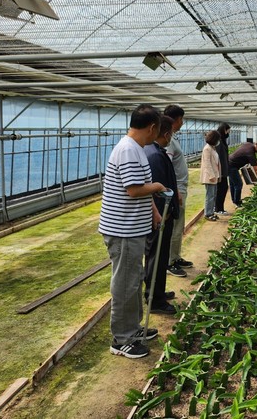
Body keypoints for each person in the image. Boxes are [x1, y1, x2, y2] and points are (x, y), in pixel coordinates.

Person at [99, 104, 166, 359]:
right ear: (152, 127)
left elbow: (139, 186)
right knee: (126, 283)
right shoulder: (128, 150)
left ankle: (133, 328)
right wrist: (157, 186)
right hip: (123, 230)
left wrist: (153, 211)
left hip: (132, 227)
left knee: (134, 279)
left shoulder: (136, 148)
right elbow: (134, 190)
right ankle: (122, 339)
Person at [143, 115, 180, 316]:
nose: (170, 138)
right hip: (160, 216)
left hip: (162, 214)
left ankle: (157, 292)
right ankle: (155, 300)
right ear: (165, 134)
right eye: (170, 134)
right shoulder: (155, 155)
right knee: (156, 257)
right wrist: (160, 215)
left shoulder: (154, 151)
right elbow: (156, 190)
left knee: (159, 256)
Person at [163, 105, 193, 278]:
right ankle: (169, 262)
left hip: (179, 188)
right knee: (174, 227)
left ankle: (175, 257)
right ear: (176, 120)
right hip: (176, 190)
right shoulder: (168, 142)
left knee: (179, 226)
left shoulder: (172, 138)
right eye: (182, 119)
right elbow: (167, 168)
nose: (182, 123)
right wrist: (175, 191)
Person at [227, 140, 257, 207]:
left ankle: (235, 201)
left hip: (229, 162)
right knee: (238, 184)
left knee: (233, 184)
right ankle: (237, 202)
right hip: (231, 166)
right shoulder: (250, 154)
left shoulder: (248, 144)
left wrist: (253, 179)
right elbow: (256, 170)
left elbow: (248, 168)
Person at [200, 130, 221, 221]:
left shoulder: (212, 148)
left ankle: (211, 212)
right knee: (210, 196)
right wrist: (212, 175)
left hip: (214, 176)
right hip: (209, 177)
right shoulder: (207, 149)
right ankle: (208, 214)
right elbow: (207, 163)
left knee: (213, 195)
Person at [214, 122, 231, 215]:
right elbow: (217, 157)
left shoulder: (222, 140)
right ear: (224, 130)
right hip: (220, 171)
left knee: (223, 188)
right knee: (221, 189)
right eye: (228, 131)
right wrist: (218, 171)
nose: (228, 133)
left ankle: (219, 208)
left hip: (223, 170)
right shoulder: (218, 142)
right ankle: (218, 209)